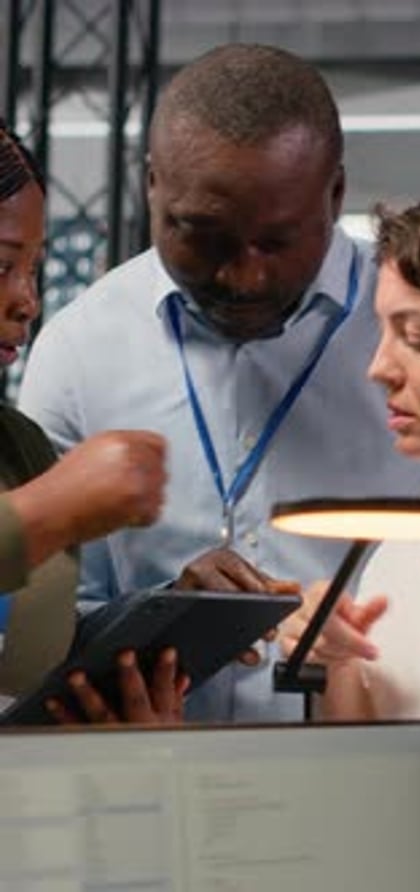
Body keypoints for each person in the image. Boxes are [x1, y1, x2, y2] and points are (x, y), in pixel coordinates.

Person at [18, 43, 420, 723]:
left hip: (384, 760)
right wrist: (160, 617)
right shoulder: (79, 348)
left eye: (276, 241)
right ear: (152, 185)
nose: (244, 277)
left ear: (334, 194)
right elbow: (45, 631)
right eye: (203, 235)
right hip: (156, 776)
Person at [280, 170, 420, 890]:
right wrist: (336, 662)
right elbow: (365, 818)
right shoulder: (398, 560)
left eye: (417, 337)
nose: (379, 369)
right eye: (383, 332)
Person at [0, 117, 188, 724]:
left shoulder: (19, 445)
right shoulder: (41, 492)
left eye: (34, 268)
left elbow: (28, 665)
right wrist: (45, 514)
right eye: (2, 266)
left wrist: (149, 633)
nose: (26, 300)